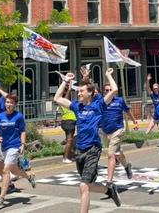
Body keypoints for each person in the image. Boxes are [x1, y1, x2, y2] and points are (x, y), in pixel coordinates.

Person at [53, 68, 121, 213]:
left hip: (92, 149)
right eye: (78, 91)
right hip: (79, 150)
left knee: (83, 186)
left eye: (81, 91)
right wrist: (65, 81)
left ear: (90, 93)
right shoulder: (77, 107)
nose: (78, 93)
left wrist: (108, 75)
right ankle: (109, 191)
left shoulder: (99, 105)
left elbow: (114, 89)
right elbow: (57, 99)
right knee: (88, 185)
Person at [0, 94, 36, 205]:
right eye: (7, 102)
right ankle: (29, 176)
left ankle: (1, 197)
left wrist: (22, 144)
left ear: (15, 104)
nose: (9, 105)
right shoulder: (0, 117)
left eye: (11, 103)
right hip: (4, 146)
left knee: (6, 170)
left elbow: (22, 131)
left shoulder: (18, 116)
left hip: (14, 146)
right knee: (14, 170)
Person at [100, 82, 138, 185]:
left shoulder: (119, 101)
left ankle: (109, 181)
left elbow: (127, 111)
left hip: (118, 130)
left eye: (110, 90)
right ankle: (127, 166)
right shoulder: (101, 101)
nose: (108, 92)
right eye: (106, 90)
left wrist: (134, 120)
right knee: (117, 153)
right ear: (104, 92)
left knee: (110, 154)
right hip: (105, 131)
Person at [54, 85, 76, 163]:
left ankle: (69, 156)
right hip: (68, 121)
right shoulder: (64, 102)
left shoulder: (66, 103)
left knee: (69, 140)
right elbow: (66, 97)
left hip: (67, 121)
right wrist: (69, 89)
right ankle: (66, 157)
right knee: (69, 140)